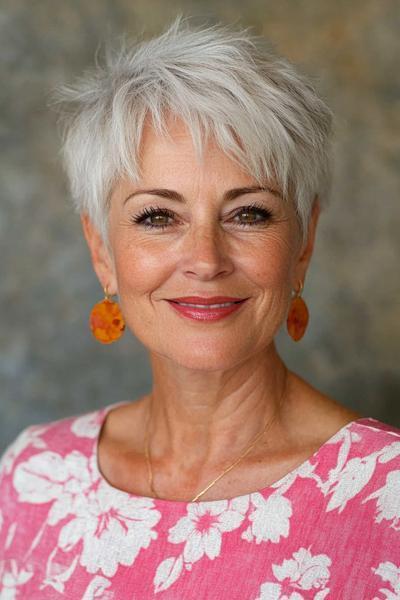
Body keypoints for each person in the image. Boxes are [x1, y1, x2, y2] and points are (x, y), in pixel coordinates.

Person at [0, 17, 399, 600]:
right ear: (101, 252)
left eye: (249, 213)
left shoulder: (388, 497)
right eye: (158, 217)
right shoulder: (32, 479)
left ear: (303, 245)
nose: (206, 260)